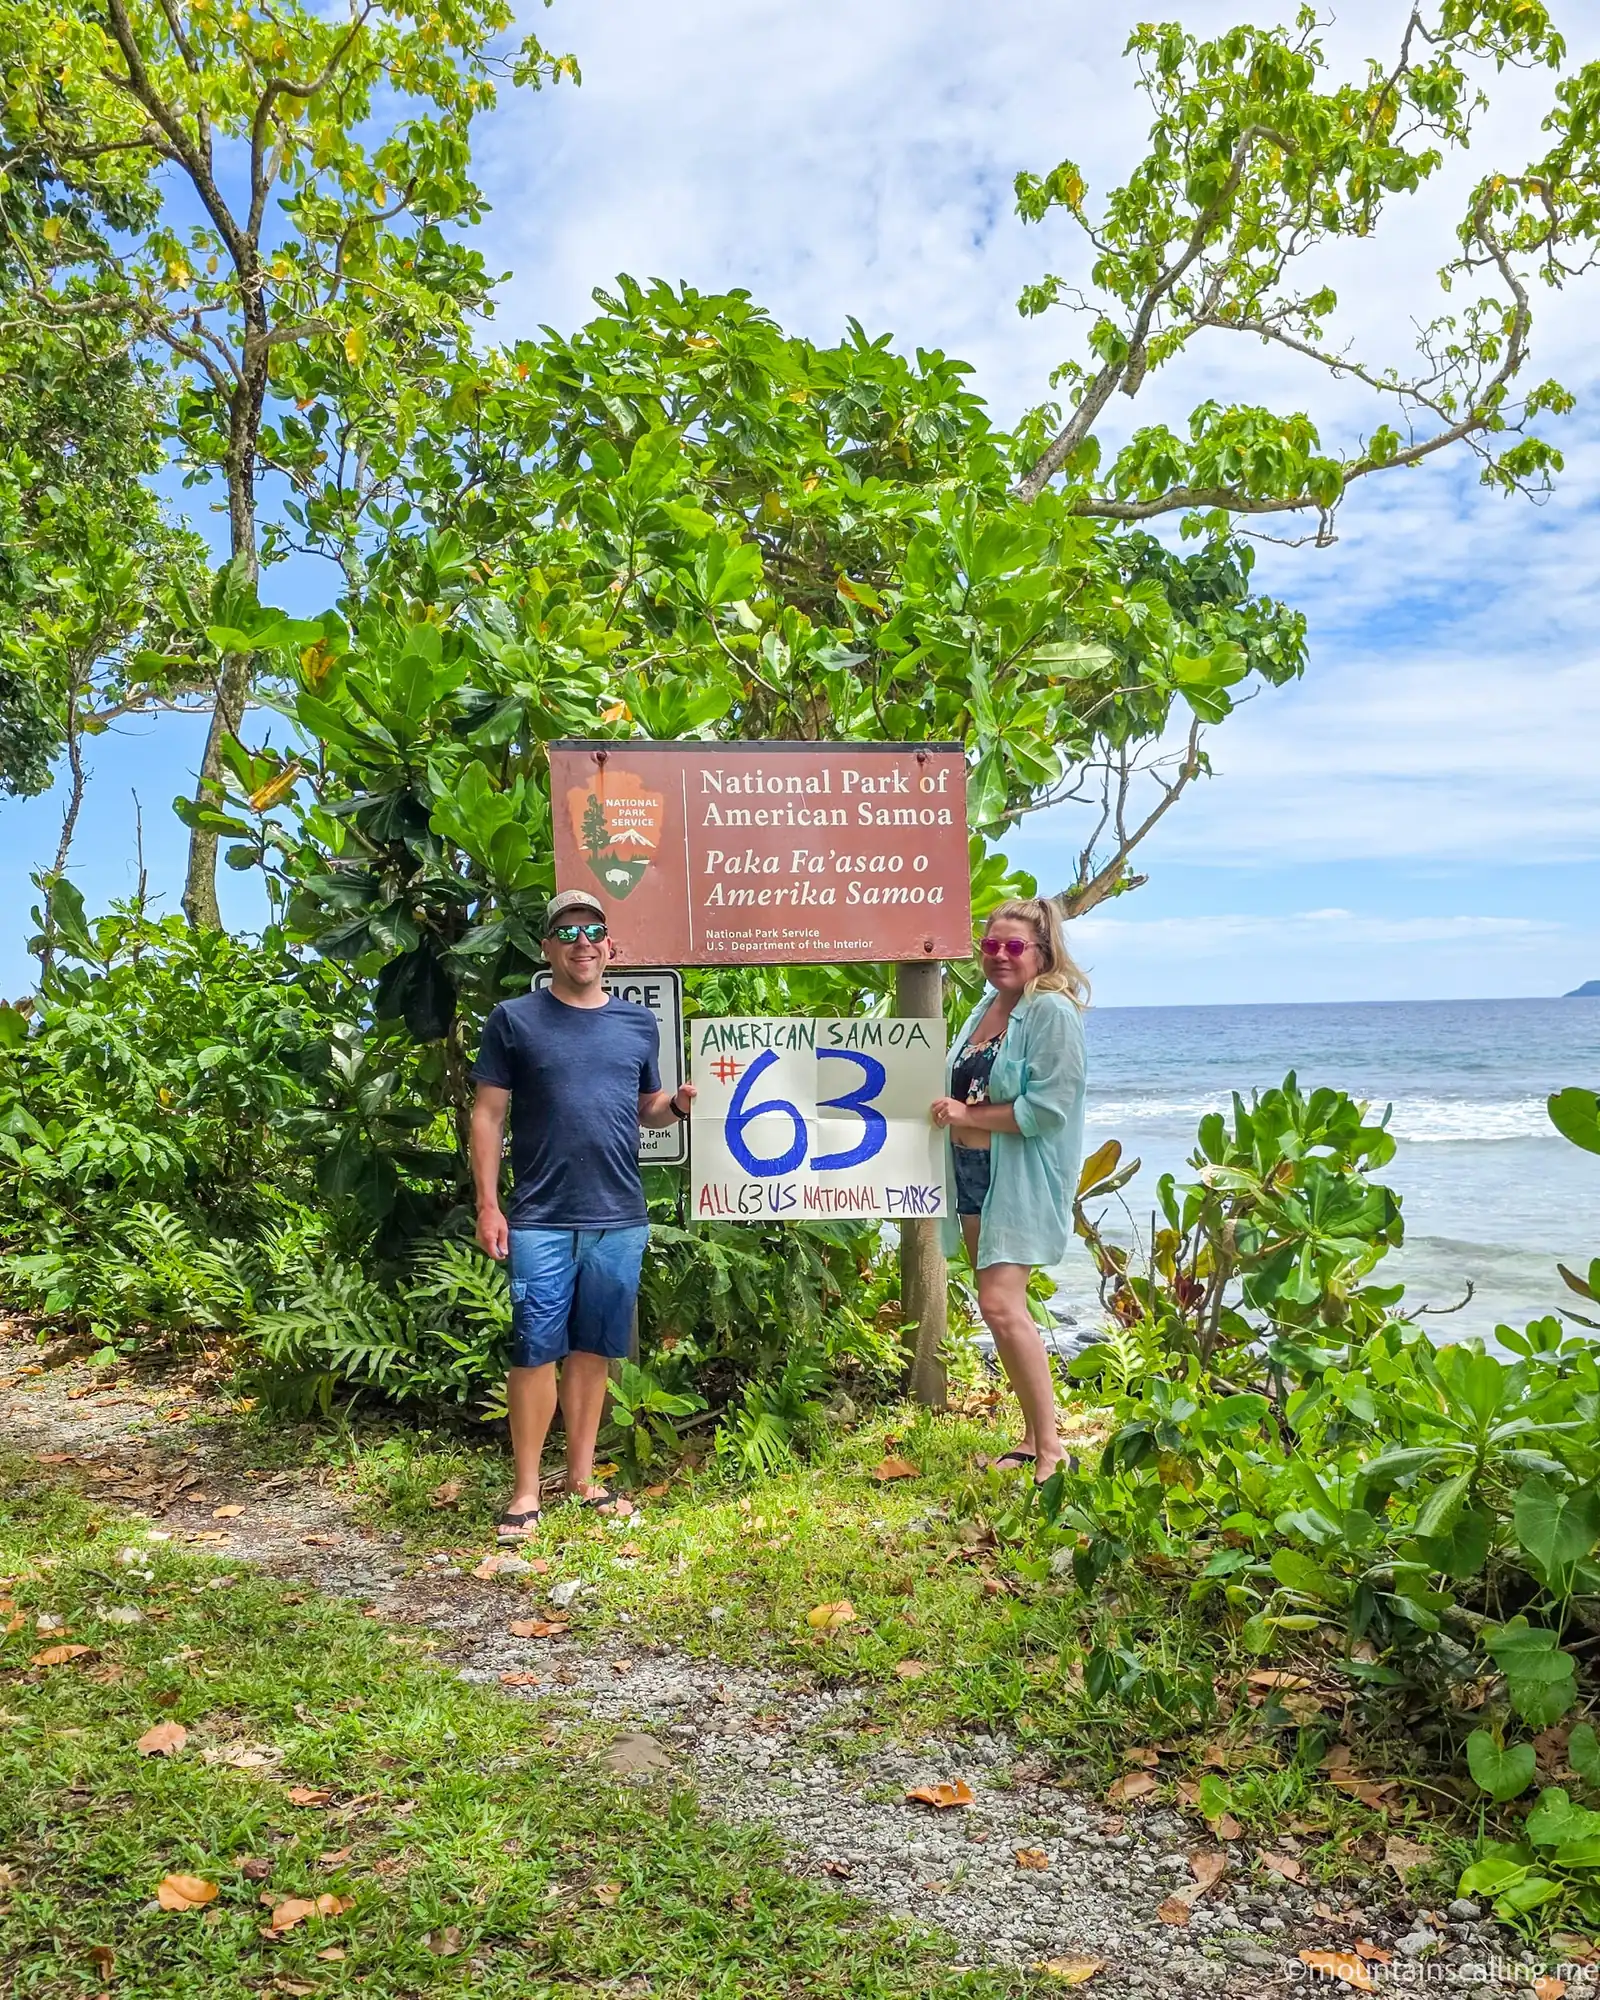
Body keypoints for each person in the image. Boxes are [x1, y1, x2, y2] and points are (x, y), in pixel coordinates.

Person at [471, 890, 694, 1540]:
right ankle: (523, 1493)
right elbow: (487, 1114)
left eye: (594, 930)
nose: (583, 941)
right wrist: (489, 1203)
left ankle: (581, 1478)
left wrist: (675, 1106)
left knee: (594, 1350)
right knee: (535, 1349)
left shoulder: (635, 1026)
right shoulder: (514, 1020)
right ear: (548, 948)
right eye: (568, 932)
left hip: (619, 1213)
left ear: (610, 946)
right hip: (539, 1214)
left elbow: (646, 1107)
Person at [930, 896, 1089, 1485]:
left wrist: (966, 1117)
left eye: (1013, 946)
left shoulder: (1052, 1011)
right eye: (990, 945)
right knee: (1000, 1311)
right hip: (972, 1176)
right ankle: (1031, 1437)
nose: (999, 956)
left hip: (1017, 1177)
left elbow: (1048, 1109)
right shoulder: (987, 1005)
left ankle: (1052, 1449)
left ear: (1042, 953)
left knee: (1000, 1304)